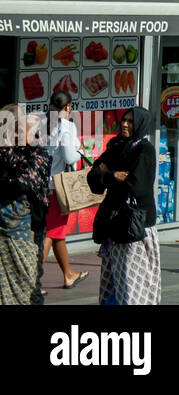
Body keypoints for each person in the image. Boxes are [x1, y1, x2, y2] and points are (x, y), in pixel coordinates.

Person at [87, 106, 161, 305]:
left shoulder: (145, 150)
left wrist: (108, 175)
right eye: (124, 120)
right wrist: (114, 175)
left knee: (133, 285)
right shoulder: (116, 144)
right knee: (112, 284)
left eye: (130, 121)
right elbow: (93, 177)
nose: (125, 124)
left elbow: (137, 186)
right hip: (114, 225)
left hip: (134, 227)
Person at [0, 104, 53, 305]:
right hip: (6, 230)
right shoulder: (9, 153)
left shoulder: (39, 155)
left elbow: (23, 184)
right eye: (19, 129)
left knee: (28, 284)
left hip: (27, 230)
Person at [43, 91, 89, 289]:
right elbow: (70, 157)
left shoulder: (43, 123)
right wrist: (81, 151)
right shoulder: (67, 126)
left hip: (43, 185)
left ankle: (68, 274)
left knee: (57, 232)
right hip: (58, 187)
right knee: (51, 232)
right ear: (68, 106)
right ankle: (31, 280)